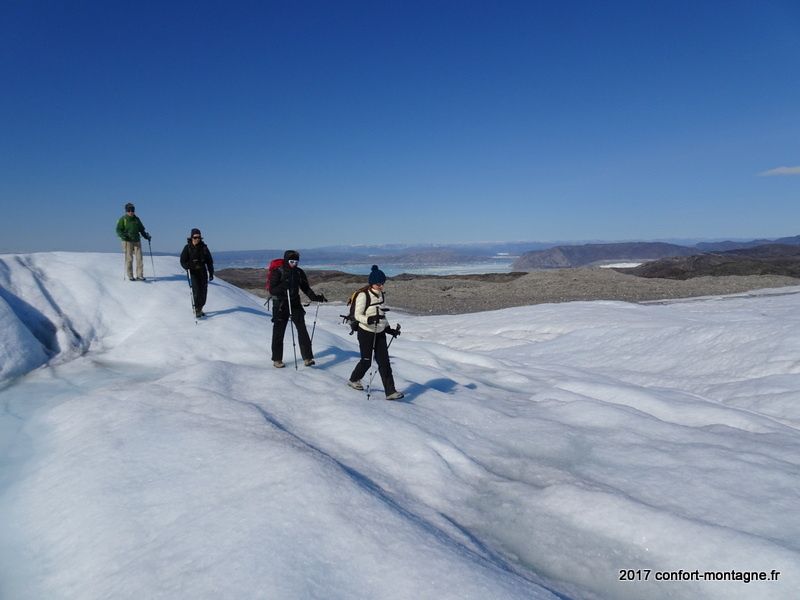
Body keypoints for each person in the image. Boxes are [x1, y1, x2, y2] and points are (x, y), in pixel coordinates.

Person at [347, 265, 404, 400]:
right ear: (372, 282)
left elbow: (382, 315)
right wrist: (370, 319)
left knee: (384, 362)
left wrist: (389, 329)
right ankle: (354, 379)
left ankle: (390, 391)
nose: (381, 286)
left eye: (383, 283)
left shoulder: (381, 296)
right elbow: (357, 315)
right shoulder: (363, 295)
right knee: (366, 361)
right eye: (379, 283)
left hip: (379, 333)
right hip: (366, 332)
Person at [269, 250, 327, 368]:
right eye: (291, 261)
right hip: (281, 304)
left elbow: (305, 287)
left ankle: (308, 358)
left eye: (296, 261)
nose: (294, 264)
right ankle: (277, 359)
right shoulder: (278, 272)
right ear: (286, 260)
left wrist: (315, 297)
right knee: (279, 333)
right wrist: (282, 286)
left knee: (302, 330)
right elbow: (272, 290)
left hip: (295, 302)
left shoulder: (299, 272)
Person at [180, 228, 215, 318]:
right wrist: (189, 266)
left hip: (202, 272)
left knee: (203, 292)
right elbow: (182, 261)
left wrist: (211, 273)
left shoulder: (204, 248)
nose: (197, 239)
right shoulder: (187, 248)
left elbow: (209, 261)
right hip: (192, 273)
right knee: (196, 291)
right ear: (191, 237)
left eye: (199, 237)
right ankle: (196, 309)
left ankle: (200, 307)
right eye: (195, 237)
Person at [115, 202, 151, 281]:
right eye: (129, 210)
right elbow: (118, 230)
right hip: (127, 241)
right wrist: (123, 236)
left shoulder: (137, 219)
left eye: (132, 210)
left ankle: (139, 275)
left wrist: (146, 236)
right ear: (126, 211)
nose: (131, 212)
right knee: (129, 259)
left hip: (136, 240)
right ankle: (130, 275)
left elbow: (141, 230)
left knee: (139, 258)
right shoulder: (123, 219)